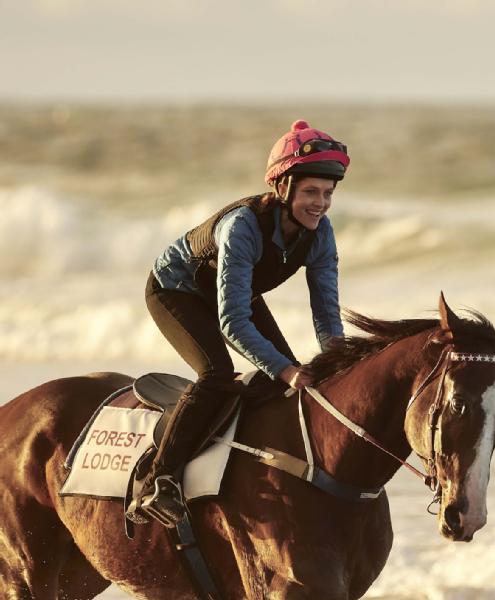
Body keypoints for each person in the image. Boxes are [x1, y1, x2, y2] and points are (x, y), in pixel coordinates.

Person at [126, 119, 349, 526]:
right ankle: (158, 480)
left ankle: (237, 460)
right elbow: (232, 321)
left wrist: (339, 361)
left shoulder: (321, 234)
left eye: (328, 194)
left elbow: (327, 314)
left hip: (230, 294)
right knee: (217, 373)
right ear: (283, 189)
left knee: (278, 379)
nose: (321, 203)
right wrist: (286, 369)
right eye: (311, 192)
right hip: (176, 291)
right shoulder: (242, 226)